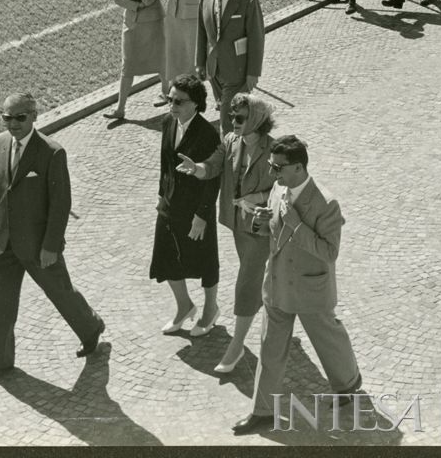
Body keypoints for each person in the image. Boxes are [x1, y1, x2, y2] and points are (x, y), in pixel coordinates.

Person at [233, 136, 362, 435]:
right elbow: (275, 229)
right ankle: (263, 411)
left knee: (327, 338)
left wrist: (296, 224)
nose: (273, 172)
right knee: (270, 348)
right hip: (278, 284)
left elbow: (330, 252)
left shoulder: (326, 203)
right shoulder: (279, 189)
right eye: (271, 165)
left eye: (278, 167)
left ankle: (348, 384)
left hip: (310, 287)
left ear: (299, 167)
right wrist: (262, 222)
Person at [0, 92, 105, 386]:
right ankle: (0, 363)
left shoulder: (51, 152)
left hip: (37, 245)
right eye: (7, 118)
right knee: (1, 304)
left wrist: (51, 247)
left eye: (20, 118)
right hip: (3, 243)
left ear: (34, 116)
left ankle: (91, 327)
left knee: (61, 292)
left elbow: (61, 205)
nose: (13, 124)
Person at [175, 92, 277, 374]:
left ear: (256, 119)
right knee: (255, 273)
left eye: (240, 118)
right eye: (232, 116)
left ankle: (237, 345)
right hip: (238, 226)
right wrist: (197, 169)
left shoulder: (274, 150)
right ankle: (276, 308)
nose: (233, 121)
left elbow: (286, 187)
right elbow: (213, 166)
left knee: (245, 282)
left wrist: (258, 197)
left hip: (262, 227)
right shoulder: (231, 142)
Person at [150, 73, 222, 336]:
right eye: (170, 99)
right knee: (165, 256)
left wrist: (202, 215)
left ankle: (210, 309)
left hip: (196, 208)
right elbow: (164, 162)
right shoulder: (168, 122)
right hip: (170, 202)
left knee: (205, 260)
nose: (172, 105)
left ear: (195, 103)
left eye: (179, 101)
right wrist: (161, 194)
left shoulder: (207, 133)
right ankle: (184, 307)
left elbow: (213, 180)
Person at [196, 0, 265, 134]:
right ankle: (247, 146)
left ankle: (228, 156)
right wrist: (200, 63)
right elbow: (201, 31)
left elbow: (257, 40)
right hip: (214, 70)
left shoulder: (249, 0)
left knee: (227, 119)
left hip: (237, 72)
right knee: (232, 114)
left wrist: (253, 73)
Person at [104, 0, 164, 122]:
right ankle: (120, 108)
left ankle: (168, 97)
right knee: (127, 65)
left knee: (162, 63)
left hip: (153, 24)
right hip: (131, 23)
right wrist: (136, 6)